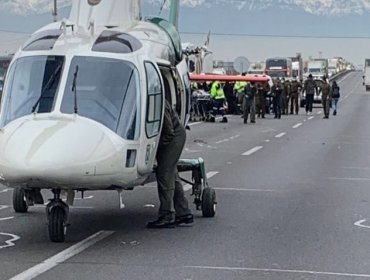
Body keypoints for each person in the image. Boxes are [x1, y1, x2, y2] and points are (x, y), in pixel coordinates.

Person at [147, 100, 193, 228]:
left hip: (173, 138)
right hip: (171, 135)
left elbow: (168, 132)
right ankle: (183, 212)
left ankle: (167, 215)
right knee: (172, 174)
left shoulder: (159, 103)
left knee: (164, 174)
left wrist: (154, 148)